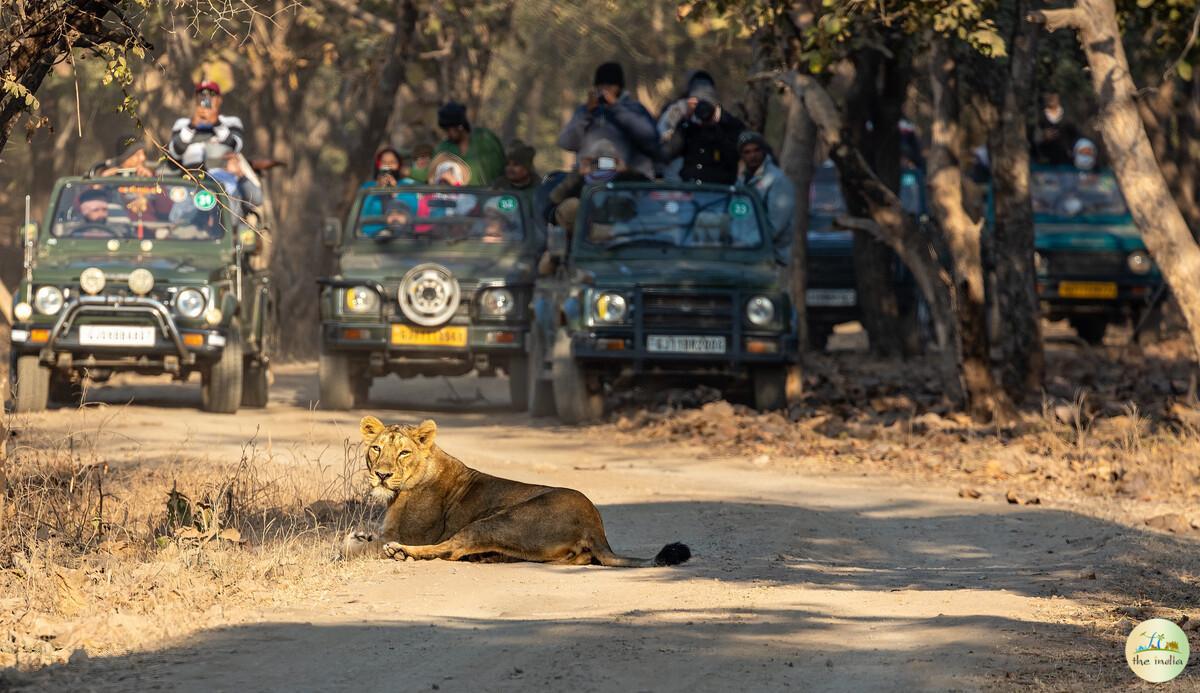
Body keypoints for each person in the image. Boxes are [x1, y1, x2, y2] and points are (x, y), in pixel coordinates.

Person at [538, 140, 650, 275]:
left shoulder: (624, 181)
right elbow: (550, 206)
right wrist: (579, 174)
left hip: (620, 243)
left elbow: (649, 193)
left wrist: (626, 170)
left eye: (608, 161)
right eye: (596, 162)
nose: (602, 167)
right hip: (583, 244)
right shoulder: (579, 183)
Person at [557, 62, 659, 179]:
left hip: (625, 178)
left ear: (619, 87)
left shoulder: (634, 109)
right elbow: (566, 143)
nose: (604, 90)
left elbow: (649, 139)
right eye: (601, 86)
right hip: (589, 177)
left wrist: (616, 107)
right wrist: (586, 114)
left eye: (610, 86)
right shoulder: (585, 111)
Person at [661, 72, 745, 184]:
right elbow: (667, 153)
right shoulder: (688, 126)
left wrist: (718, 122)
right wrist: (685, 120)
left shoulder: (730, 125)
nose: (703, 110)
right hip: (690, 189)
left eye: (707, 103)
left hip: (719, 191)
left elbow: (735, 156)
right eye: (697, 104)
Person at [738, 131, 796, 263]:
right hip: (746, 254)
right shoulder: (741, 181)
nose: (753, 155)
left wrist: (749, 243)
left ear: (764, 151)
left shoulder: (777, 180)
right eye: (747, 152)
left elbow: (776, 225)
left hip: (772, 257)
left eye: (756, 150)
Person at [168, 81, 244, 169]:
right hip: (190, 175)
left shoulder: (231, 122)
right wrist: (192, 126)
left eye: (212, 94)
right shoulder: (183, 123)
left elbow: (236, 147)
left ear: (219, 99)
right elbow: (175, 152)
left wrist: (217, 124)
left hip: (221, 176)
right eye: (201, 94)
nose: (206, 98)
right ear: (196, 99)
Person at [432, 102, 506, 185]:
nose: (447, 134)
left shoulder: (485, 140)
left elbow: (500, 170)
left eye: (449, 130)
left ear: (460, 126)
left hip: (488, 195)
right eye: (445, 130)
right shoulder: (443, 149)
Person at [1032, 92, 1081, 166]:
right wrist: (1043, 136)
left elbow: (1078, 136)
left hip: (1067, 164)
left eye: (1054, 93)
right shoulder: (1038, 116)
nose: (1051, 97)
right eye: (1047, 93)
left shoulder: (1069, 116)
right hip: (1043, 164)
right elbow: (1031, 138)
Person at [491, 140, 538, 210]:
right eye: (507, 164)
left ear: (527, 167)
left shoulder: (538, 188)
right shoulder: (499, 185)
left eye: (516, 164)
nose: (509, 168)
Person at [89, 134, 154, 178]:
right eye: (137, 155)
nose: (143, 158)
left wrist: (150, 180)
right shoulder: (111, 177)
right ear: (124, 158)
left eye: (143, 154)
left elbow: (160, 195)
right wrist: (102, 181)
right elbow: (92, 195)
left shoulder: (149, 175)